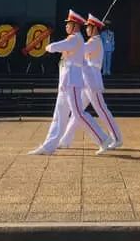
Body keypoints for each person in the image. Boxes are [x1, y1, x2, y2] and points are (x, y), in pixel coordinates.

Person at [28, 10, 113, 156]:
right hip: (65, 83)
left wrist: (48, 46)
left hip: (72, 82)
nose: (66, 26)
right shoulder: (75, 39)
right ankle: (49, 146)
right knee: (59, 115)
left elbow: (58, 46)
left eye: (69, 24)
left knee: (79, 113)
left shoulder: (75, 39)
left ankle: (103, 139)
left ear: (75, 26)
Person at [59, 13, 123, 150]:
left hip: (92, 80)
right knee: (77, 112)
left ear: (94, 28)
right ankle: (65, 139)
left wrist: (73, 43)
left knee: (102, 110)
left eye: (89, 27)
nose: (86, 29)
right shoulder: (92, 41)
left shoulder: (94, 42)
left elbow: (81, 49)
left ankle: (117, 138)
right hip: (86, 79)